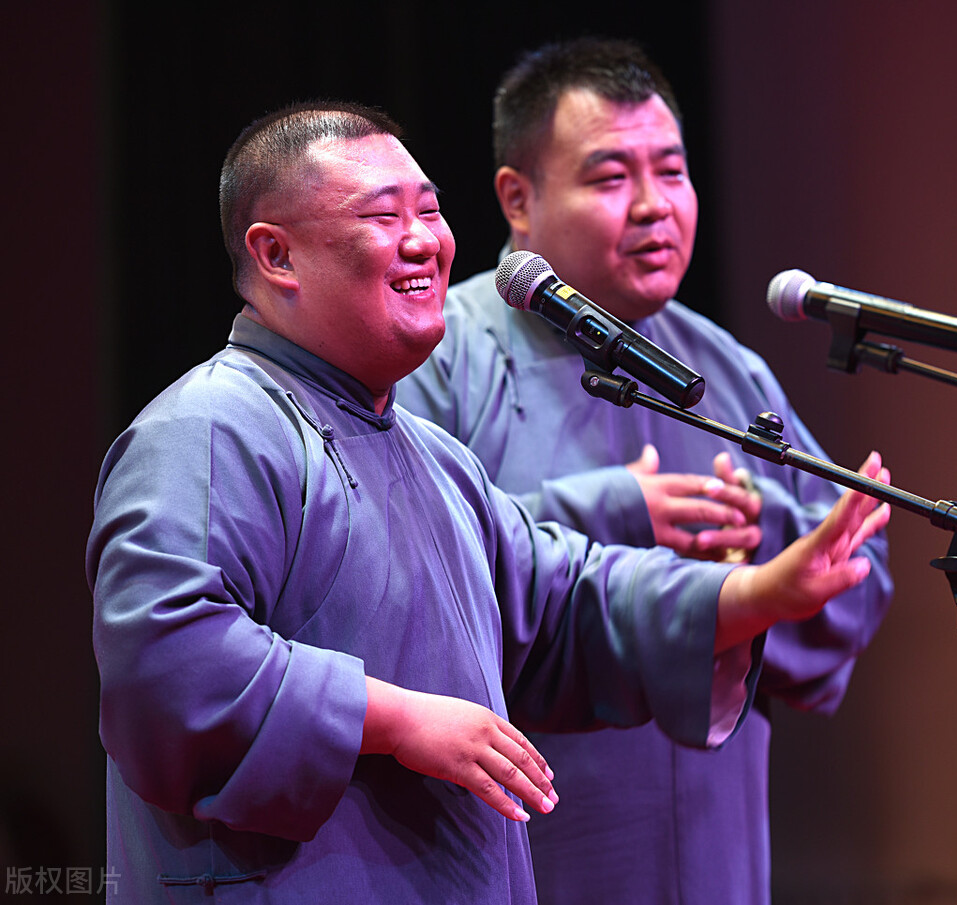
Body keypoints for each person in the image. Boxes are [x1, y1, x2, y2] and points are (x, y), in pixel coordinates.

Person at [85, 100, 890, 904]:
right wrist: (397, 719)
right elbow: (165, 660)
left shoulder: (435, 460)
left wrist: (760, 589)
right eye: (383, 215)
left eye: (430, 211)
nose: (425, 240)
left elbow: (565, 596)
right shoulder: (210, 426)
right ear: (277, 255)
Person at [395, 38, 895, 905]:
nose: (654, 206)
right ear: (519, 198)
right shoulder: (446, 355)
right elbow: (403, 575)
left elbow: (854, 581)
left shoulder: (723, 368)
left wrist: (767, 546)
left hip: (714, 840)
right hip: (536, 837)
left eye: (671, 171)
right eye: (610, 177)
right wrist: (613, 511)